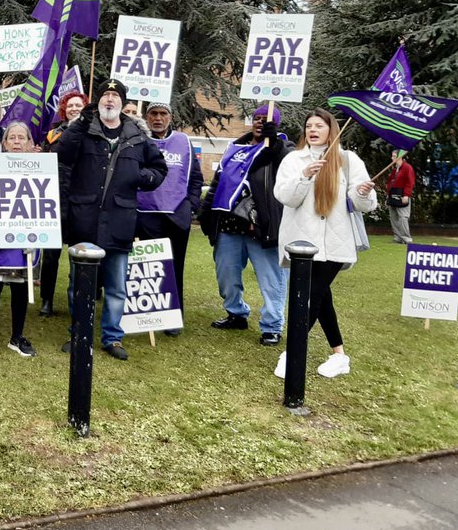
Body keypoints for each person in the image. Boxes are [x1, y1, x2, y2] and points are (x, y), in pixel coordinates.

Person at [56, 79, 168, 360]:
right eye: (105, 94)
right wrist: (81, 122)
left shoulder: (136, 135)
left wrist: (141, 177)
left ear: (121, 102)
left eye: (114, 96)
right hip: (85, 219)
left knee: (117, 285)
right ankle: (79, 332)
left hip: (120, 220)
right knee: (79, 283)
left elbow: (158, 168)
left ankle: (112, 337)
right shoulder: (84, 130)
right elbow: (62, 154)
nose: (109, 99)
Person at [273, 109, 377, 378]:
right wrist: (305, 176)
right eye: (309, 126)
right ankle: (340, 355)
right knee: (321, 297)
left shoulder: (347, 159)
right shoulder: (294, 159)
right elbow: (285, 196)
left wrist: (364, 192)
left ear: (332, 129)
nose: (313, 130)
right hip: (302, 242)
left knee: (312, 295)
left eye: (319, 125)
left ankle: (293, 351)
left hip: (335, 242)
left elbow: (362, 202)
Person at [199, 105, 293, 346]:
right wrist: (206, 213)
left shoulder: (283, 148)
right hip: (229, 224)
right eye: (257, 118)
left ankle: (272, 325)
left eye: (267, 119)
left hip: (261, 225)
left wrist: (274, 142)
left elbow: (288, 166)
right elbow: (219, 182)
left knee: (271, 279)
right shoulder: (234, 148)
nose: (261, 122)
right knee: (226, 275)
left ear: (276, 124)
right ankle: (236, 313)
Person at [134, 102, 204, 336]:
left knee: (175, 268)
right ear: (147, 117)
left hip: (176, 214)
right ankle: (152, 316)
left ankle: (174, 317)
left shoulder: (184, 142)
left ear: (171, 117)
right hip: (146, 213)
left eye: (163, 114)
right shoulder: (138, 139)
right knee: (152, 268)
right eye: (153, 114)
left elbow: (195, 178)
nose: (158, 118)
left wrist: (190, 205)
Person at [0, 121, 40, 357]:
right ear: (3, 143)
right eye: (12, 138)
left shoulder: (40, 170)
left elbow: (46, 206)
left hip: (26, 242)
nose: (16, 142)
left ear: (30, 143)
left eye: (22, 138)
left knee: (20, 288)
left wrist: (38, 236)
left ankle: (17, 337)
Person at [37, 90, 86, 316]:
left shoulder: (92, 133)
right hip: (54, 201)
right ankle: (46, 299)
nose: (74, 109)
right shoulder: (53, 134)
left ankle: (81, 295)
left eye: (79, 105)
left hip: (80, 202)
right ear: (64, 109)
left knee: (80, 254)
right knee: (50, 255)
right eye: (70, 105)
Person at [386, 150, 415, 244]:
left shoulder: (407, 168)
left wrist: (406, 195)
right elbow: (390, 182)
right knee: (393, 217)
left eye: (394, 156)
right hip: (393, 195)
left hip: (402, 195)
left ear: (400, 157)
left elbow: (410, 182)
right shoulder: (395, 169)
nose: (392, 158)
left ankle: (406, 238)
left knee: (403, 217)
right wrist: (388, 194)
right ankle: (397, 237)